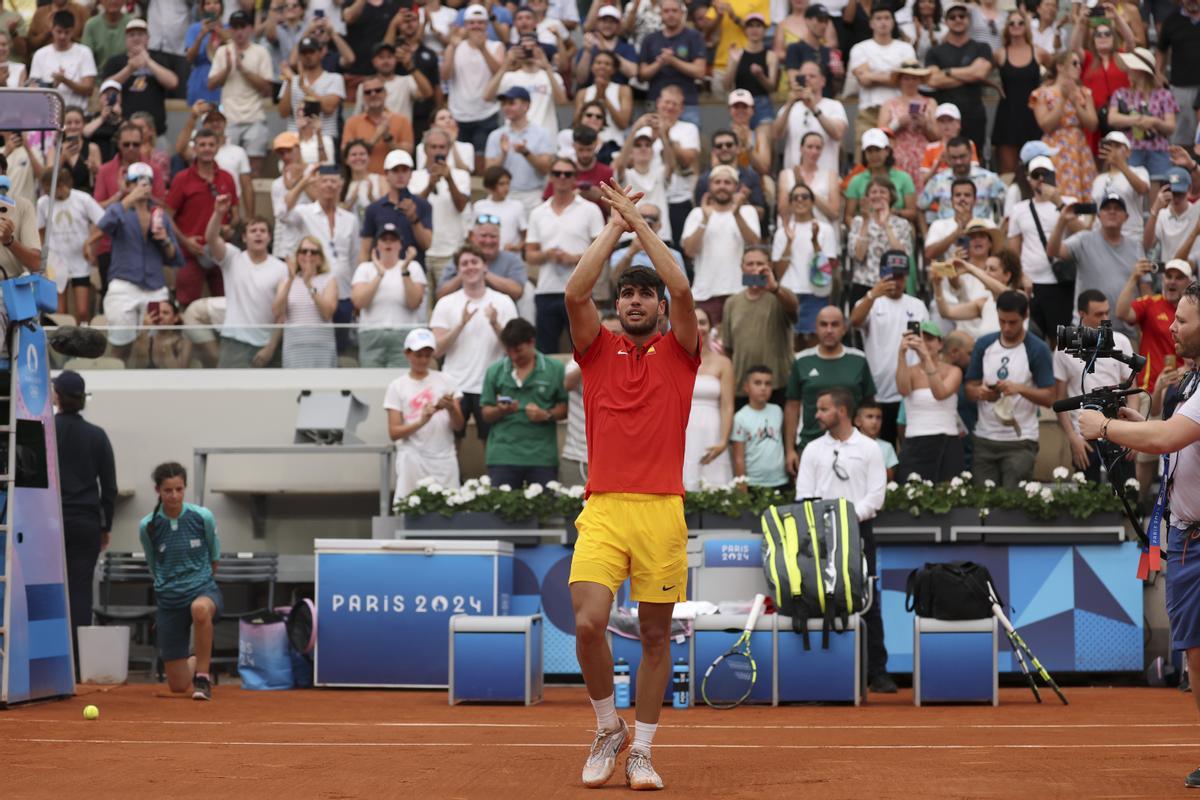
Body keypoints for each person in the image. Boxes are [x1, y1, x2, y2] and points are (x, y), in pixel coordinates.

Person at [566, 182, 700, 791]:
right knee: (589, 624)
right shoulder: (597, 350)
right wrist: (614, 229)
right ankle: (606, 726)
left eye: (645, 293)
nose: (637, 300)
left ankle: (642, 749)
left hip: (662, 511)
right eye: (627, 292)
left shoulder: (681, 351)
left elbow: (682, 286)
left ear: (659, 307)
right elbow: (574, 291)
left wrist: (641, 223)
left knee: (653, 635)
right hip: (604, 507)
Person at [1077, 283, 1200, 791]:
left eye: (1185, 321)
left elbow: (1169, 438)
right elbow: (1171, 436)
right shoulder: (1190, 383)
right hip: (1187, 540)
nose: (1172, 327)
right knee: (1195, 656)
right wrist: (1135, 422)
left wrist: (1105, 427)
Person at [794, 387, 893, 693]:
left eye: (823, 409)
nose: (817, 414)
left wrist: (846, 518)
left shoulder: (870, 448)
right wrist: (825, 522)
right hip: (820, 535)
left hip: (858, 531)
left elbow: (876, 495)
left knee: (867, 598)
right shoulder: (812, 449)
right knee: (822, 597)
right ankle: (828, 670)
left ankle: (877, 671)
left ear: (841, 411)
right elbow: (804, 496)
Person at [138, 462, 222, 701]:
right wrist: (168, 587)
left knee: (200, 609)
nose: (174, 495)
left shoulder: (202, 517)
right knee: (177, 686)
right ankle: (195, 660)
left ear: (185, 489)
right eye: (168, 490)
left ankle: (203, 677)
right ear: (158, 491)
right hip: (170, 598)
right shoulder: (149, 526)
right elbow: (154, 563)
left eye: (179, 489)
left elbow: (214, 558)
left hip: (202, 589)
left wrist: (198, 581)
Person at [53, 370, 117, 675]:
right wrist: (106, 526)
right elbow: (110, 487)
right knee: (80, 591)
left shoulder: (44, 430)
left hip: (49, 522)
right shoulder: (97, 435)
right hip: (86, 523)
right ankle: (78, 666)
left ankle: (51, 658)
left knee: (49, 588)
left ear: (56, 396)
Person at [964, 291, 1055, 488]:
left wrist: (1020, 389)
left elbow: (1050, 397)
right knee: (983, 504)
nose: (1006, 327)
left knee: (1012, 505)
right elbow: (969, 388)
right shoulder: (984, 344)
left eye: (1012, 322)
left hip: (1021, 441)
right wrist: (981, 392)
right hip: (984, 438)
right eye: (1001, 321)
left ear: (1025, 317)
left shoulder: (1037, 349)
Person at [430, 244, 520, 443]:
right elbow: (436, 350)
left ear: (484, 265)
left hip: (490, 385)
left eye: (474, 262)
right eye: (464, 264)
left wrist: (495, 323)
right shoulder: (446, 303)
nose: (470, 267)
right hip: (453, 384)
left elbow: (515, 350)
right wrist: (460, 324)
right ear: (458, 269)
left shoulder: (503, 301)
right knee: (450, 441)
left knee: (492, 442)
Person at [98, 163, 183, 360]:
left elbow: (174, 257)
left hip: (154, 286)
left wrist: (166, 240)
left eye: (147, 181)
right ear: (128, 185)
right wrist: (128, 198)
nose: (143, 185)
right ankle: (116, 385)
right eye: (136, 181)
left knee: (156, 347)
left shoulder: (159, 214)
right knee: (121, 344)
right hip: (124, 284)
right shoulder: (120, 210)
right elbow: (104, 224)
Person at [525, 157, 606, 353]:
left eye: (567, 174)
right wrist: (547, 255)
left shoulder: (590, 210)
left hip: (581, 289)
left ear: (574, 179)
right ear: (550, 177)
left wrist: (574, 258)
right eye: (557, 173)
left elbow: (603, 250)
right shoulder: (538, 212)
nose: (562, 178)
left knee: (586, 349)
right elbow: (530, 255)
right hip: (546, 290)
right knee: (545, 351)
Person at [1054, 289, 1135, 483]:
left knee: (1128, 491)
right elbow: (1059, 398)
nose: (1105, 318)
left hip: (1119, 429)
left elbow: (1132, 391)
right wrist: (1073, 438)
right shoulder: (1066, 346)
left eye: (1107, 312)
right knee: (1087, 497)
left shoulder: (1121, 341)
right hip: (1084, 433)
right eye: (1099, 314)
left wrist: (1133, 431)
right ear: (1082, 314)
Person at [279, 165, 362, 349]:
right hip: (315, 294)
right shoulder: (304, 212)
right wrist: (303, 183)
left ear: (341, 186)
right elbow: (282, 212)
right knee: (316, 344)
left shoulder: (350, 219)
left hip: (344, 293)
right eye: (324, 181)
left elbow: (354, 257)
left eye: (334, 181)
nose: (329, 186)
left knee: (341, 348)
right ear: (317, 185)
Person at [784, 305, 876, 471]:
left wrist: (870, 442)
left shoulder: (858, 360)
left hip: (852, 446)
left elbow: (869, 405)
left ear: (844, 328)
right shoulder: (801, 361)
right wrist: (790, 450)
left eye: (834, 324)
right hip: (810, 444)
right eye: (824, 324)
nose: (829, 330)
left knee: (843, 495)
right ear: (816, 328)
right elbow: (792, 407)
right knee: (809, 495)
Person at [850, 259, 930, 445]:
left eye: (900, 276)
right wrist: (872, 295)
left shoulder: (917, 305)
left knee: (909, 448)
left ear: (906, 277)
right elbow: (854, 322)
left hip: (909, 391)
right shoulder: (870, 302)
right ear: (881, 275)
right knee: (881, 449)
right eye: (890, 276)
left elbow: (926, 343)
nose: (895, 281)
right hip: (879, 392)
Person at [480, 318, 568, 486]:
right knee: (501, 510)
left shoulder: (555, 369)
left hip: (541, 457)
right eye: (508, 350)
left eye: (518, 350)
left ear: (531, 342)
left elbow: (565, 408)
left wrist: (546, 414)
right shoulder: (494, 371)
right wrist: (500, 410)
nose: (513, 356)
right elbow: (485, 414)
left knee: (546, 509)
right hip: (502, 455)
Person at [204, 195, 289, 368]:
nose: (258, 234)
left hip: (267, 344)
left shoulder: (281, 268)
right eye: (253, 230)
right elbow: (211, 239)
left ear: (269, 238)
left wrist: (271, 348)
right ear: (244, 238)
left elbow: (282, 314)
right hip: (234, 342)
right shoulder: (232, 258)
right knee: (229, 394)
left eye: (263, 231)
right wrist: (218, 213)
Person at [385, 327, 465, 500]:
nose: (423, 360)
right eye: (418, 355)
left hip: (444, 458)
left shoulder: (446, 380)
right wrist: (421, 422)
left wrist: (451, 407)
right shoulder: (397, 386)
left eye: (427, 355)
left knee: (449, 507)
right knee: (410, 509)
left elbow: (459, 425)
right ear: (407, 354)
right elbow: (394, 432)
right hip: (412, 458)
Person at [1006, 156, 1076, 344]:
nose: (1041, 179)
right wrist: (1020, 276)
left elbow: (1083, 232)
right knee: (1033, 337)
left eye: (1046, 175)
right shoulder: (1019, 209)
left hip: (1061, 281)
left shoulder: (1069, 201)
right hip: (1032, 282)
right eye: (1036, 175)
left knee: (1062, 340)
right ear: (1029, 179)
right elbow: (1013, 250)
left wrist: (1059, 202)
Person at [166, 128, 238, 308]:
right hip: (190, 253)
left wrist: (229, 228)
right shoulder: (182, 179)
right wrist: (185, 241)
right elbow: (167, 217)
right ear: (195, 148)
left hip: (219, 252)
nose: (207, 149)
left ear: (218, 147)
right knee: (187, 303)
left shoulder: (227, 178)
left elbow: (236, 215)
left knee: (227, 302)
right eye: (202, 145)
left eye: (211, 144)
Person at [680, 165, 762, 325]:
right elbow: (689, 251)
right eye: (717, 182)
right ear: (710, 186)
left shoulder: (747, 211)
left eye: (727, 182)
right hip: (705, 293)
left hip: (739, 292)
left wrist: (736, 213)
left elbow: (754, 243)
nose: (722, 186)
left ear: (735, 186)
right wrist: (705, 219)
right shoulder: (697, 214)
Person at [1049, 192, 1145, 320]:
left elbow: (1145, 287)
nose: (1112, 212)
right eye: (1107, 208)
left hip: (1125, 328)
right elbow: (1053, 251)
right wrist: (1062, 220)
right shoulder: (1083, 239)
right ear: (1099, 216)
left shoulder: (1136, 246)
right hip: (1088, 329)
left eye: (1117, 208)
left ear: (1126, 217)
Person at [722, 246, 798, 405]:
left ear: (769, 266)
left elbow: (793, 308)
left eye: (759, 263)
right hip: (743, 387)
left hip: (777, 385)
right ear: (742, 267)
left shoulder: (780, 296)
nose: (755, 268)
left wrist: (774, 287)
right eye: (750, 264)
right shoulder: (731, 303)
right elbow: (728, 349)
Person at [896, 320, 964, 480]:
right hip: (915, 440)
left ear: (940, 344)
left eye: (930, 339)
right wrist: (901, 354)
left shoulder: (953, 371)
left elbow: (940, 393)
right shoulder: (911, 371)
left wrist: (925, 357)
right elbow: (903, 390)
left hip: (946, 439)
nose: (924, 343)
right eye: (920, 338)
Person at [924, 0, 993, 155]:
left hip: (974, 114)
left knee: (975, 157)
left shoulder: (982, 47)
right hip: (945, 117)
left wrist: (947, 72)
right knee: (944, 156)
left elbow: (980, 73)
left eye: (962, 16)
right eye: (953, 17)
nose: (958, 19)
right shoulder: (934, 52)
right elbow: (933, 80)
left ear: (968, 20)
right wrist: (969, 73)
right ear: (946, 21)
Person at [351, 230, 426, 367]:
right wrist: (379, 274)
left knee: (401, 382)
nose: (388, 242)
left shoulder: (413, 267)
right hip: (371, 335)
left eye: (393, 239)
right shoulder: (365, 268)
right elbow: (359, 302)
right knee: (370, 384)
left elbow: (413, 303)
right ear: (377, 245)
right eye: (384, 239)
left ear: (400, 245)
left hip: (403, 334)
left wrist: (404, 271)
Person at [1030, 51, 1098, 202]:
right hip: (1054, 147)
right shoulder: (1042, 93)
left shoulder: (1084, 93)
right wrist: (1062, 99)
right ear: (1060, 67)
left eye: (1080, 63)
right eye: (1074, 63)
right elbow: (1045, 125)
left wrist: (1075, 102)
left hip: (1078, 147)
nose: (1079, 67)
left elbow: (1092, 124)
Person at [771, 183, 836, 337]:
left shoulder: (825, 229)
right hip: (788, 293)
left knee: (814, 340)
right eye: (795, 197)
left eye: (805, 196)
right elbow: (778, 272)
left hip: (815, 293)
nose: (800, 200)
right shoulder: (782, 232)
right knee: (786, 342)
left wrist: (814, 241)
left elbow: (826, 271)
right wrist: (788, 242)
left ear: (813, 202)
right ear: (791, 203)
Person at [37, 167, 102, 320]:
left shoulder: (83, 199)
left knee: (82, 311)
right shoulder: (43, 203)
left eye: (49, 190)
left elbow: (104, 224)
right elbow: (40, 230)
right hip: (56, 263)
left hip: (80, 262)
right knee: (60, 312)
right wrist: (43, 258)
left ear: (61, 186)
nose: (47, 194)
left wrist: (89, 243)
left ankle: (81, 340)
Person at [410, 128, 473, 283]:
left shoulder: (461, 176)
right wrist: (429, 186)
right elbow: (412, 210)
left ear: (449, 149)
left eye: (442, 147)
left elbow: (461, 206)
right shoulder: (413, 177)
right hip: (420, 250)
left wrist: (449, 179)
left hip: (450, 251)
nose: (438, 151)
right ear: (425, 150)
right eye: (433, 147)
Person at [443, 5, 506, 157]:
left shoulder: (496, 46)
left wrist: (483, 49)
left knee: (481, 163)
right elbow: (445, 76)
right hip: (459, 115)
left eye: (480, 22)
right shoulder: (455, 47)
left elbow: (499, 73)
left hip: (487, 114)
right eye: (472, 22)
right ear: (465, 25)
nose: (476, 26)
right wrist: (452, 46)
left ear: (487, 25)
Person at [683, 307, 735, 490]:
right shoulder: (677, 360)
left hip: (713, 430)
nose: (699, 327)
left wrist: (723, 441)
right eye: (695, 322)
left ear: (711, 327)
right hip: (684, 432)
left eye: (703, 322)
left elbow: (727, 406)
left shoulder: (724, 363)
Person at [991, 9, 1046, 176]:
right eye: (1012, 23)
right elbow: (980, 72)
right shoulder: (1000, 53)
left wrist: (1047, 89)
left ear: (1026, 26)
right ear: (1007, 27)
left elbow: (1057, 68)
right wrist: (993, 85)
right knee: (1008, 170)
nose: (1016, 26)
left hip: (1032, 115)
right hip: (1008, 115)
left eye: (1020, 23)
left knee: (1036, 168)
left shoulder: (1038, 51)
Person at [485, 85, 556, 212]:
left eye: (511, 103)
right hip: (503, 196)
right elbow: (489, 173)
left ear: (526, 106)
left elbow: (546, 168)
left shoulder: (542, 133)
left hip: (532, 196)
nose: (506, 107)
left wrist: (526, 152)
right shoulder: (496, 135)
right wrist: (503, 154)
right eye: (504, 104)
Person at [772, 58, 849, 174]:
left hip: (826, 179)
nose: (807, 79)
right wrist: (789, 104)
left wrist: (814, 108)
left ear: (823, 81)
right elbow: (775, 135)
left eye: (812, 76)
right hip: (795, 180)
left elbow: (838, 133)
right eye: (803, 77)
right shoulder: (789, 107)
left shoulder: (834, 106)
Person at [273, 236, 339, 368]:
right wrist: (291, 280)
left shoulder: (329, 279)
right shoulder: (286, 281)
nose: (308, 255)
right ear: (297, 256)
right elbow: (277, 311)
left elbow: (327, 313)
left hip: (322, 347)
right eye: (303, 251)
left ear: (320, 258)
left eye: (313, 252)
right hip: (295, 348)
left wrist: (308, 284)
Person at [637, 0, 706, 124]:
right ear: (660, 14)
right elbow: (642, 75)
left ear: (682, 13)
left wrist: (673, 61)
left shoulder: (694, 37)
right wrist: (659, 62)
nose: (670, 14)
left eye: (674, 11)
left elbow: (700, 71)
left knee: (688, 141)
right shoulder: (650, 39)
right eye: (666, 11)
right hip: (656, 103)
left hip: (687, 104)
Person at [847, 178, 914, 304]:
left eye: (882, 192)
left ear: (891, 197)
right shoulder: (858, 222)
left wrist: (887, 226)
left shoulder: (901, 223)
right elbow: (858, 256)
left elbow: (903, 257)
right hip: (863, 285)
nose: (877, 195)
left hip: (893, 286)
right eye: (873, 192)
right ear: (867, 198)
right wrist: (866, 222)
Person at [437, 217, 528, 306]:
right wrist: (466, 273)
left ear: (500, 238)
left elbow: (517, 292)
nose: (488, 241)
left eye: (493, 236)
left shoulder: (512, 259)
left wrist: (483, 272)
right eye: (483, 236)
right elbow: (440, 294)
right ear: (473, 237)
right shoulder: (461, 259)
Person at [876, 61, 936, 191]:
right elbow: (880, 135)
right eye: (906, 78)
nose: (910, 82)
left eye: (914, 78)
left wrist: (925, 125)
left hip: (923, 157)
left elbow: (937, 136)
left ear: (919, 81)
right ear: (900, 81)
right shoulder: (889, 104)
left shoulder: (930, 103)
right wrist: (898, 124)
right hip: (898, 157)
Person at [918, 136, 1006, 224]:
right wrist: (926, 235)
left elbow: (1009, 201)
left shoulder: (989, 179)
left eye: (962, 157)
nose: (958, 162)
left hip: (980, 232)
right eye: (954, 158)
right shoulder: (938, 181)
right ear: (947, 157)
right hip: (947, 232)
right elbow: (920, 206)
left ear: (971, 154)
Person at [731, 365, 790, 490]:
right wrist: (742, 486)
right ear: (746, 387)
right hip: (754, 483)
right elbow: (738, 457)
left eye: (768, 384)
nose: (763, 388)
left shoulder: (777, 411)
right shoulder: (740, 417)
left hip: (780, 481)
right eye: (757, 383)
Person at [844, 128, 918, 225]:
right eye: (869, 151)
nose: (874, 155)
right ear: (864, 154)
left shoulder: (904, 178)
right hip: (866, 228)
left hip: (897, 228)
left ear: (887, 151)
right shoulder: (856, 181)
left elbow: (912, 213)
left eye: (878, 150)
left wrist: (894, 213)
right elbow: (849, 216)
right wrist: (860, 229)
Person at [28, 10, 97, 111]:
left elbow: (88, 90)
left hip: (77, 113)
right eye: (59, 31)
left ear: (73, 31)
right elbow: (33, 88)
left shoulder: (84, 52)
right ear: (52, 29)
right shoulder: (40, 54)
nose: (62, 36)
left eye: (67, 32)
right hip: (46, 113)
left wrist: (65, 81)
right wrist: (52, 85)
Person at [1091, 131, 1150, 241]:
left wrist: (1120, 164)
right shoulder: (1098, 179)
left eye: (1117, 146)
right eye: (1109, 147)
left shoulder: (1139, 171)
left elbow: (1142, 189)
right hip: (1101, 240)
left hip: (1130, 237)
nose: (1112, 151)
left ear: (1128, 152)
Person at [473, 166, 528, 252]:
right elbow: (473, 234)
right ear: (490, 187)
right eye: (501, 184)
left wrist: (517, 247)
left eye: (508, 183)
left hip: (510, 257)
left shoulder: (517, 206)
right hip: (486, 257)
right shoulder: (479, 206)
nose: (506, 188)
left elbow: (526, 236)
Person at [855, 399, 898, 481]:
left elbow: (890, 479)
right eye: (869, 416)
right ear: (857, 421)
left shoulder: (887, 447)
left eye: (878, 418)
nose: (874, 421)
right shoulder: (849, 444)